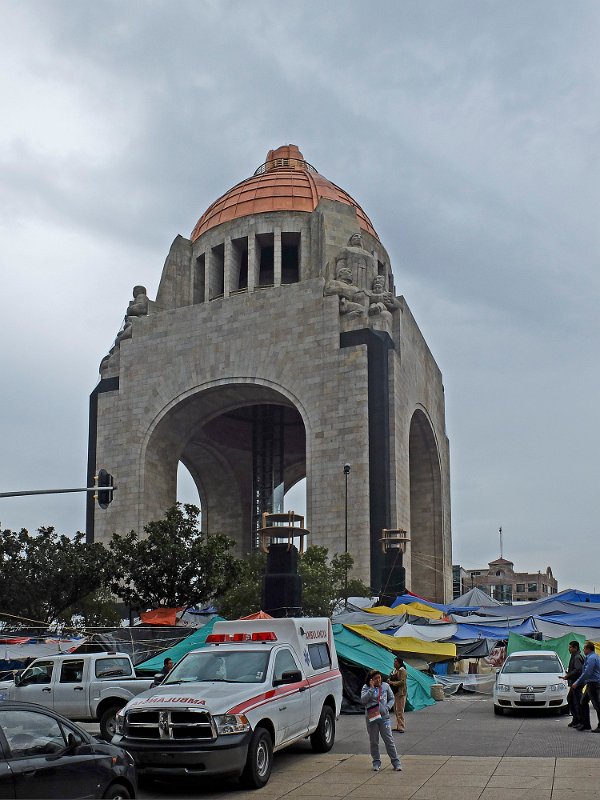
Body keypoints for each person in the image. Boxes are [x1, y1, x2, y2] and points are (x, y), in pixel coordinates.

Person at [360, 669, 402, 772]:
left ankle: (396, 763)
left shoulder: (385, 686)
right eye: (375, 678)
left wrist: (387, 707)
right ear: (371, 680)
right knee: (374, 741)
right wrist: (371, 689)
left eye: (379, 677)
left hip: (384, 717)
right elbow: (363, 700)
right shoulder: (366, 687)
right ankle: (376, 762)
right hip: (372, 717)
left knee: (389, 740)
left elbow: (392, 698)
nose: (378, 680)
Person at [571, 641, 600, 731]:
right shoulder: (592, 657)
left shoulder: (592, 658)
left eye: (584, 648)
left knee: (597, 705)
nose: (583, 650)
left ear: (588, 649)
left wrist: (577, 682)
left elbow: (587, 672)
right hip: (590, 683)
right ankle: (586, 724)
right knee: (583, 702)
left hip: (594, 683)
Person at [560, 641, 584, 727]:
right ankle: (576, 719)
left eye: (570, 647)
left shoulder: (577, 657)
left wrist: (568, 675)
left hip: (577, 683)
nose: (569, 649)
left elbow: (577, 670)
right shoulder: (574, 656)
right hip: (575, 682)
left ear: (575, 648)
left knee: (576, 701)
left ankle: (579, 720)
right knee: (571, 699)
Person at [388, 657, 408, 732]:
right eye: (394, 661)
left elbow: (402, 682)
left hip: (400, 693)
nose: (394, 663)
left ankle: (401, 726)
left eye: (396, 662)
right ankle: (398, 725)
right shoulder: (394, 671)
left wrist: (392, 683)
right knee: (396, 710)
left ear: (399, 663)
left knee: (400, 710)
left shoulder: (402, 671)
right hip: (395, 692)